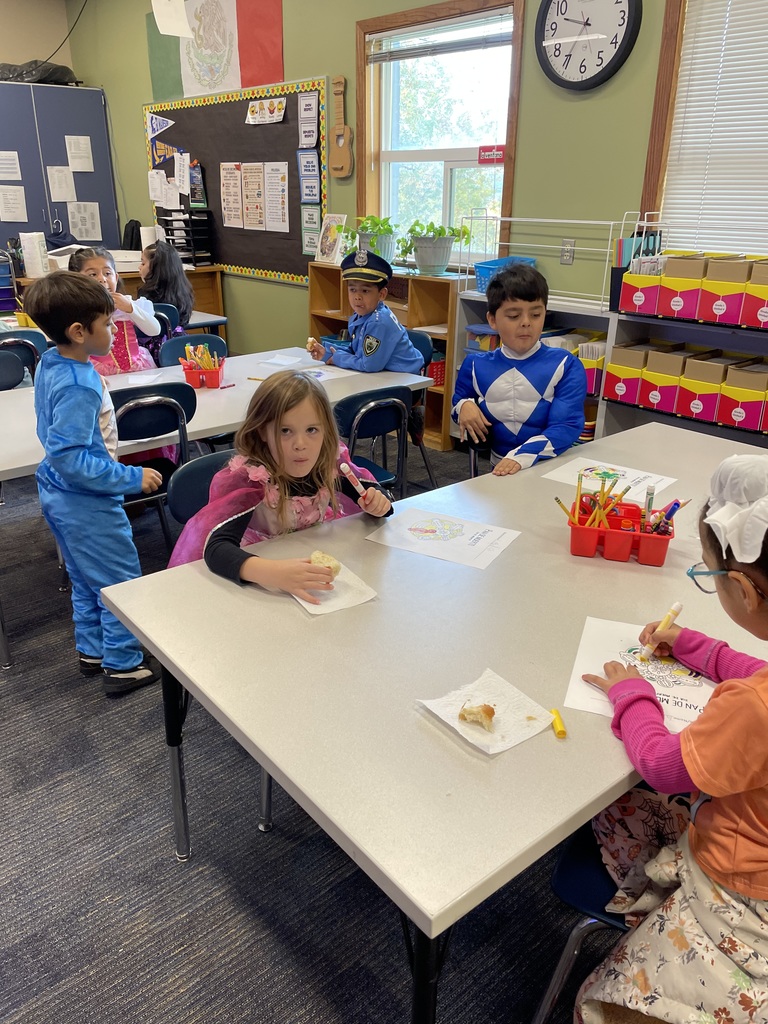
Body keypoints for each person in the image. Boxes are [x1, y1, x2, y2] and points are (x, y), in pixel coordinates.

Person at [576, 452, 768, 1024]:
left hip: (740, 892)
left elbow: (661, 765)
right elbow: (753, 669)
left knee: (620, 800)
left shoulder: (753, 711)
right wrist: (692, 646)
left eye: (708, 577)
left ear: (742, 588)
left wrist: (632, 693)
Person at [25, 271, 163, 696]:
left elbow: (57, 446)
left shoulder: (51, 361)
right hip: (86, 500)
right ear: (79, 331)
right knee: (120, 581)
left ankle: (93, 649)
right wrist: (130, 476)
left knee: (87, 578)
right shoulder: (79, 382)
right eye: (107, 323)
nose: (114, 328)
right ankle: (123, 663)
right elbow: (72, 458)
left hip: (56, 494)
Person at [169, 370, 394, 603]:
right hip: (260, 575)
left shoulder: (330, 463)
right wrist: (274, 573)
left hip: (308, 563)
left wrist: (377, 503)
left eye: (312, 430)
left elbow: (377, 497)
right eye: (285, 431)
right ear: (262, 431)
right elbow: (216, 548)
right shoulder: (251, 478)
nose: (300, 445)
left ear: (326, 429)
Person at [451, 264, 587, 476]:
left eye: (535, 315)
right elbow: (457, 403)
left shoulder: (566, 365)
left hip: (550, 468)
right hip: (500, 470)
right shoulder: (475, 365)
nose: (526, 323)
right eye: (514, 316)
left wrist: (520, 457)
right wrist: (464, 406)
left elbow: (567, 426)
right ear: (492, 320)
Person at [307, 250, 423, 374]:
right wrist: (328, 351)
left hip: (405, 379)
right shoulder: (360, 316)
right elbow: (356, 351)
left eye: (365, 291)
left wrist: (336, 358)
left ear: (382, 294)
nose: (357, 296)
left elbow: (368, 365)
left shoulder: (378, 322)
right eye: (352, 289)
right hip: (386, 375)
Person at [68, 247, 160, 375]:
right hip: (97, 372)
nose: (102, 279)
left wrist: (131, 309)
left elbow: (154, 330)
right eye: (93, 275)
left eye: (107, 273)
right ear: (77, 281)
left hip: (136, 369)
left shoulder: (127, 304)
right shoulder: (76, 311)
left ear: (116, 278)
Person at [137, 241, 195, 362]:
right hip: (179, 345)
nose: (139, 267)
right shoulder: (183, 291)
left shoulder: (146, 297)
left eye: (143, 263)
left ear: (155, 269)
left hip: (152, 350)